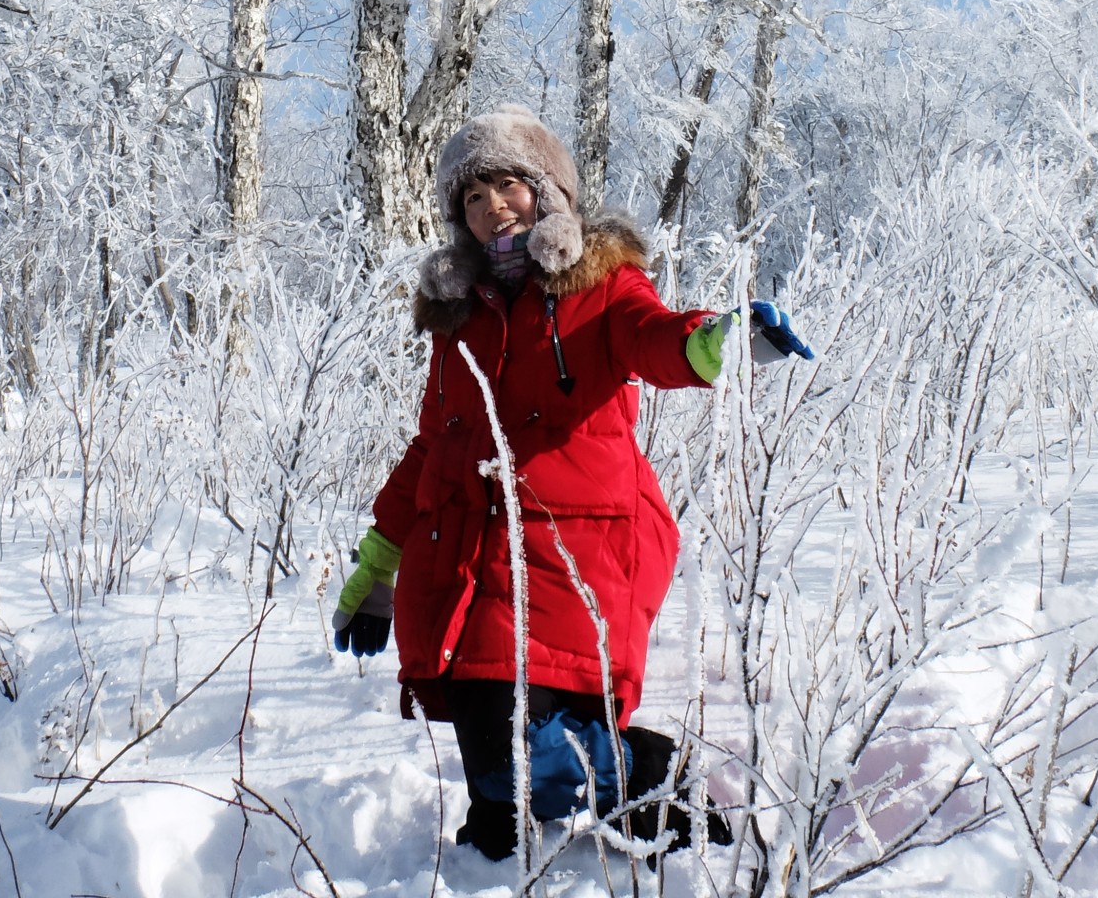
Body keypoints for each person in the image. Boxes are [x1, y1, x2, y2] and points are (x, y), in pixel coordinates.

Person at [331, 105, 812, 861]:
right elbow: (433, 447)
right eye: (473, 197)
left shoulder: (601, 286)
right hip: (473, 557)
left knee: (530, 753)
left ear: (547, 191)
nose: (493, 208)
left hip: (578, 552)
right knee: (494, 743)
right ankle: (505, 827)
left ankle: (661, 793)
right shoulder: (460, 318)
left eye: (507, 187)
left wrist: (715, 340)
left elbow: (656, 340)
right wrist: (379, 567)